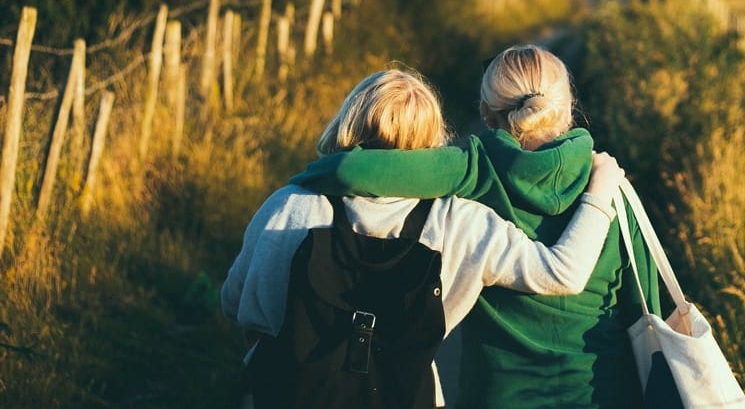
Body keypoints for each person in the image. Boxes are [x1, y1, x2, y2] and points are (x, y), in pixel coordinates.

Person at [220, 68, 627, 408]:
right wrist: (600, 192)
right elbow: (562, 273)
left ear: (348, 121)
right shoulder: (459, 221)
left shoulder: (290, 206)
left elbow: (237, 302)